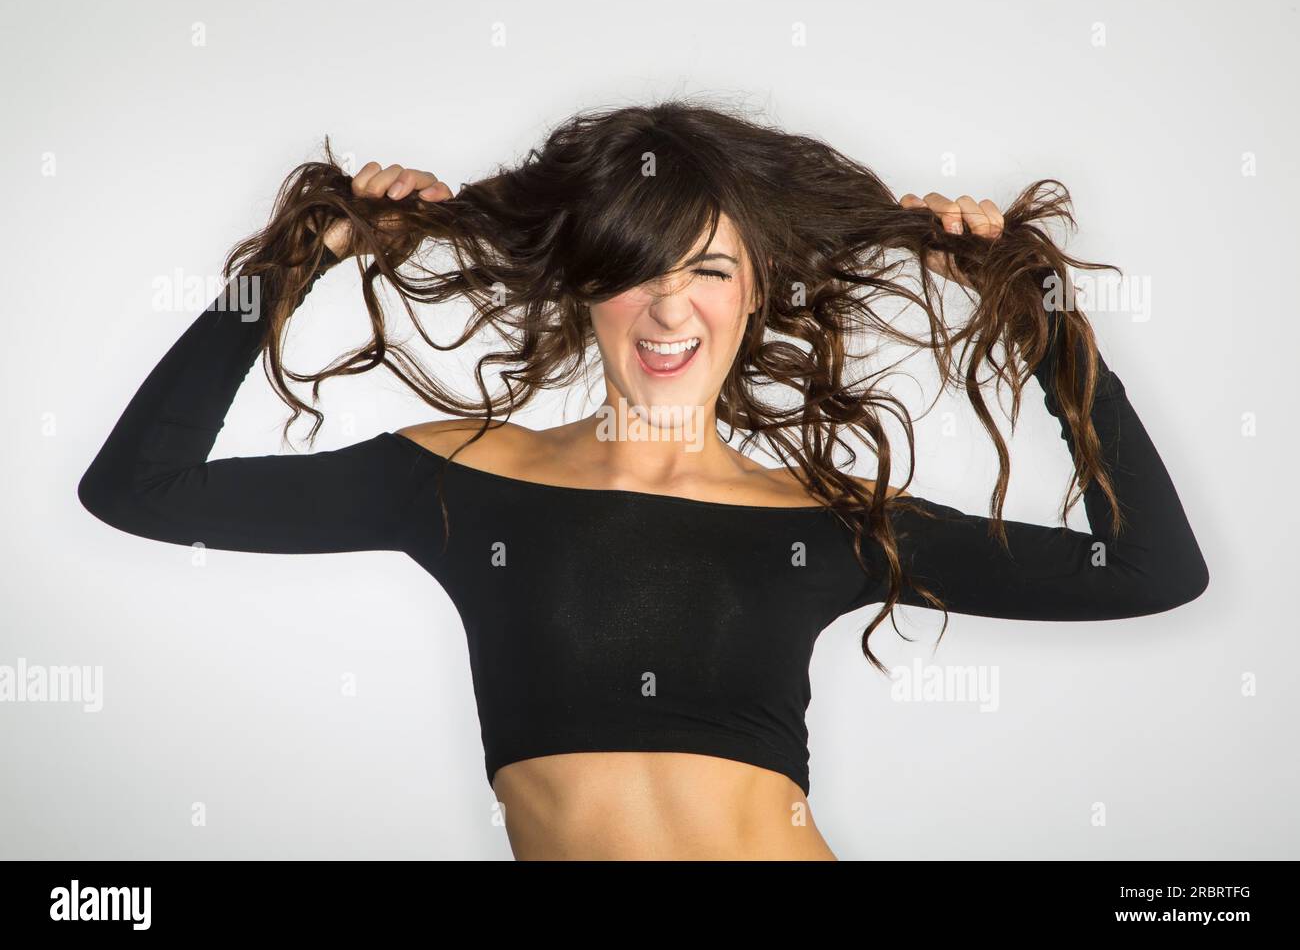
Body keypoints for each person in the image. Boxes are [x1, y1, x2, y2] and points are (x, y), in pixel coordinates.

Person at [78, 102, 1208, 860]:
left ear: (757, 291)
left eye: (709, 269)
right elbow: (143, 486)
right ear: (582, 287)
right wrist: (300, 256)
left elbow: (1151, 569)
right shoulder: (459, 478)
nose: (670, 310)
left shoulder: (825, 523)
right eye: (633, 271)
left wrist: (1038, 322)